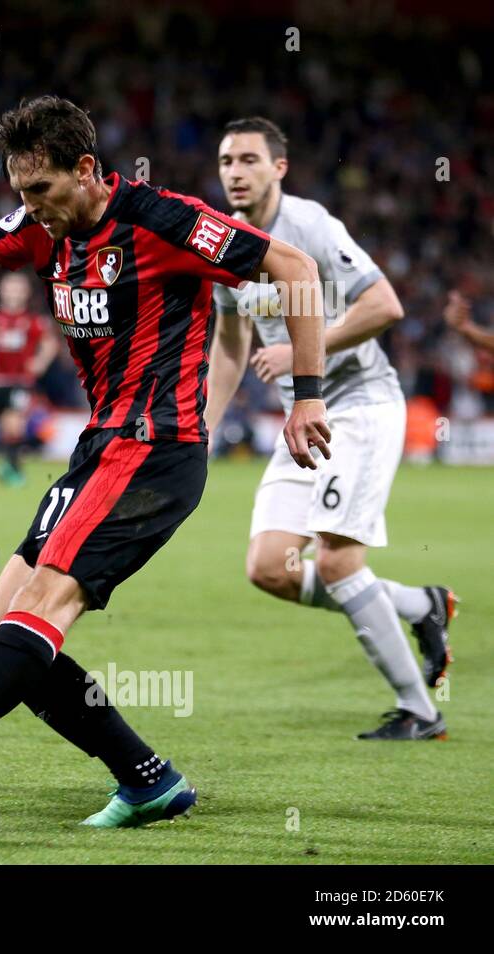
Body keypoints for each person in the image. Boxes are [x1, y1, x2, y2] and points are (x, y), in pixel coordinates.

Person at [0, 95, 330, 826]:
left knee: (45, 605)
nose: (31, 207)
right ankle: (148, 780)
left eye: (41, 190)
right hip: (101, 447)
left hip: (155, 448)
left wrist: (308, 397)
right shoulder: (41, 231)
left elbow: (293, 266)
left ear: (86, 169)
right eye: (20, 193)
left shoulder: (162, 220)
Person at [206, 118, 452, 741]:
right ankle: (420, 606)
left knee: (339, 563)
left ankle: (420, 711)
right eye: (227, 160)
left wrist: (301, 348)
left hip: (360, 406)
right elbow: (231, 344)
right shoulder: (221, 242)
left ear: (278, 168)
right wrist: (202, 427)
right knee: (270, 567)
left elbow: (385, 305)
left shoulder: (309, 225)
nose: (234, 171)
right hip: (302, 418)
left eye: (248, 160)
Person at [0, 272, 58, 486]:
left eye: (18, 288)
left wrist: (40, 362)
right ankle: (11, 465)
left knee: (14, 421)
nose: (14, 293)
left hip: (22, 380)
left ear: (26, 293)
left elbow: (50, 344)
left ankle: (13, 470)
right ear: (2, 291)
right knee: (5, 425)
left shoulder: (33, 320)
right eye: (10, 288)